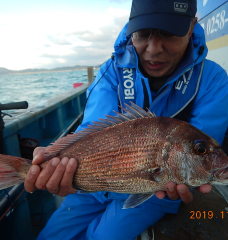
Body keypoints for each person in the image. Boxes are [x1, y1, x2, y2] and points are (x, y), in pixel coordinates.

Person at [25, 0, 228, 239]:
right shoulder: (111, 71)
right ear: (131, 28)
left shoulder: (212, 79)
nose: (153, 49)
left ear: (192, 27)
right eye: (142, 34)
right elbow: (92, 131)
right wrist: (58, 165)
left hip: (156, 191)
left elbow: (197, 148)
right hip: (93, 186)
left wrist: (196, 169)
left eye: (169, 33)